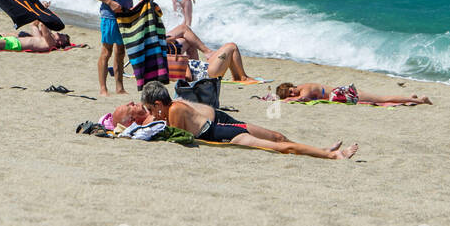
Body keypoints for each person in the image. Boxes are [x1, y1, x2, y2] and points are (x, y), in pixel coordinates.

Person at [119, 81, 358, 159]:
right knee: (278, 139)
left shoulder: (173, 112)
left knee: (280, 144)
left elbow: (182, 138)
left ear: (158, 104)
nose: (153, 112)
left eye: (152, 108)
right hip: (222, 127)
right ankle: (324, 152)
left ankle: (329, 154)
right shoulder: (175, 106)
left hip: (222, 131)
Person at [164, 23, 255, 83]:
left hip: (205, 71)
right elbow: (188, 77)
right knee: (232, 46)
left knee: (228, 51)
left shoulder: (167, 60)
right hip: (207, 73)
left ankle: (237, 77)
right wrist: (185, 65)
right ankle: (243, 77)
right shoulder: (175, 62)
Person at [277, 82, 432, 105]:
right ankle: (410, 98)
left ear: (292, 85)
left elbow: (304, 97)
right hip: (344, 92)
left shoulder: (305, 88)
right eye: (289, 94)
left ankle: (421, 101)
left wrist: (288, 99)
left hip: (345, 94)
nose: (293, 93)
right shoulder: (303, 89)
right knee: (381, 100)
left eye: (291, 90)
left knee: (383, 99)